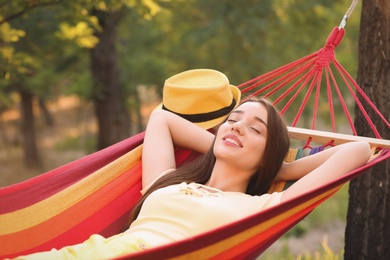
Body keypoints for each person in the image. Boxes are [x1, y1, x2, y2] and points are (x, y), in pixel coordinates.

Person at [13, 69, 371, 259]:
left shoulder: (260, 207)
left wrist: (282, 169)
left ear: (269, 152)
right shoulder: (168, 181)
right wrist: (227, 145)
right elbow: (161, 120)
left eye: (255, 129)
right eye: (233, 119)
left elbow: (359, 151)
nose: (236, 127)